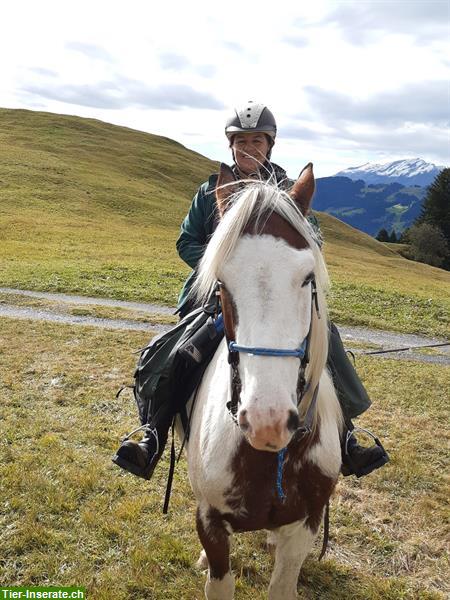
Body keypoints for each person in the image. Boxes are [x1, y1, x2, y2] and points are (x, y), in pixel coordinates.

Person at [113, 101, 389, 480]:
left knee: (327, 343)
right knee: (175, 351)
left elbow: (313, 241)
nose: (248, 148)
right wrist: (224, 266)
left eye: (256, 140)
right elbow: (186, 242)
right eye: (240, 141)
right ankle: (152, 433)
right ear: (230, 146)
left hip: (277, 296)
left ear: (269, 145)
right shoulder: (210, 191)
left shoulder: (288, 192)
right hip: (220, 293)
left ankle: (348, 435)